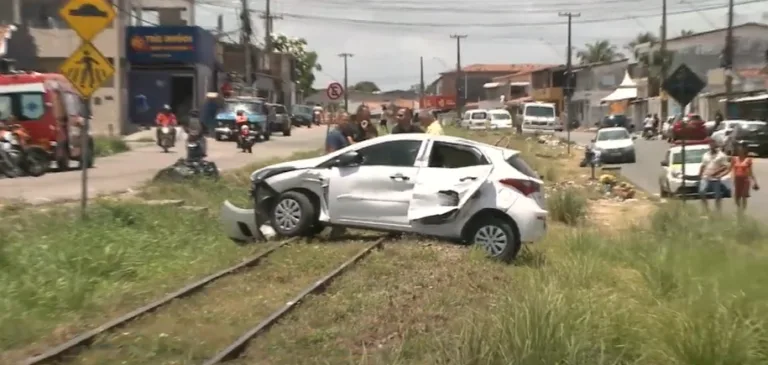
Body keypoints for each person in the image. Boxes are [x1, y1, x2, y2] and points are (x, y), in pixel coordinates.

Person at [699, 139, 730, 213]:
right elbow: (703, 165)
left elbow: (725, 166)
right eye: (710, 144)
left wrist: (716, 172)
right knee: (702, 191)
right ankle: (706, 209)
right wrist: (700, 173)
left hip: (715, 178)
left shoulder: (721, 155)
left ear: (716, 145)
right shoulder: (706, 155)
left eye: (713, 144)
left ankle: (718, 210)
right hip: (705, 176)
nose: (711, 146)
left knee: (717, 195)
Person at [731, 141, 759, 213]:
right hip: (737, 180)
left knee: (743, 196)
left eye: (742, 148)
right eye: (739, 148)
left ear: (745, 150)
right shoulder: (734, 159)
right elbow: (730, 169)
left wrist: (755, 182)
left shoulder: (748, 160)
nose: (740, 150)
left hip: (745, 180)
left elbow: (750, 172)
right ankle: (739, 209)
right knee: (737, 197)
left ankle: (742, 211)